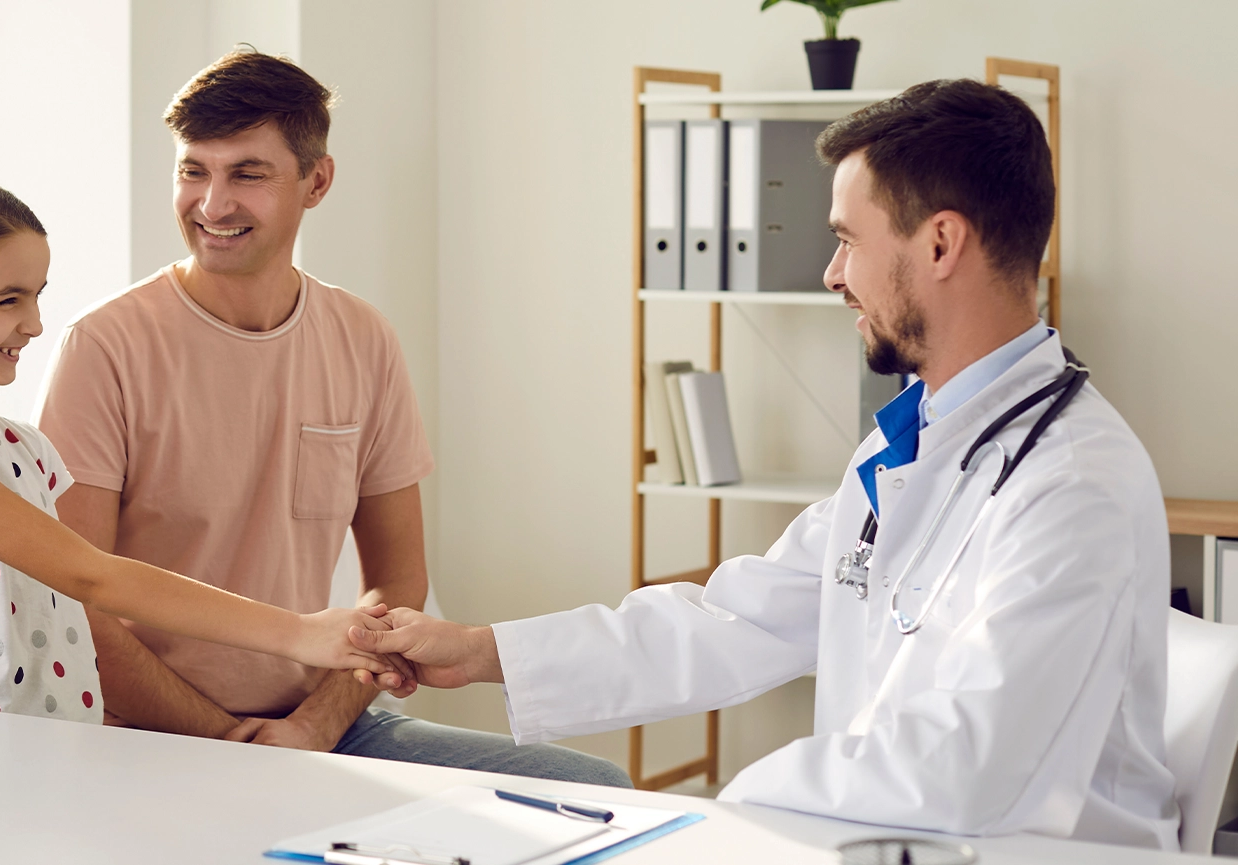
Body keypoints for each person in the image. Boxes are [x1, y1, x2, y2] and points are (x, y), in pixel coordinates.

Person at [350, 79, 1179, 848]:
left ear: (940, 243)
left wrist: (728, 807)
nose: (832, 276)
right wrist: (479, 649)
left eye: (848, 241)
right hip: (889, 842)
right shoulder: (914, 441)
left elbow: (974, 762)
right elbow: (734, 620)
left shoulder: (1074, 483)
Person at [34, 49, 629, 786]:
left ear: (316, 181)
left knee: (596, 789)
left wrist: (315, 725)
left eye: (247, 173)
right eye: (194, 170)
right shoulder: (105, 346)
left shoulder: (362, 335)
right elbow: (69, 600)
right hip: (146, 729)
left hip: (327, 724)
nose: (213, 204)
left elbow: (399, 581)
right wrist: (229, 739)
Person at [0, 171, 405, 731]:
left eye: (37, 296)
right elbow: (91, 577)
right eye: (7, 300)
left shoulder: (24, 445)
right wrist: (301, 633)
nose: (35, 324)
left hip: (48, 753)